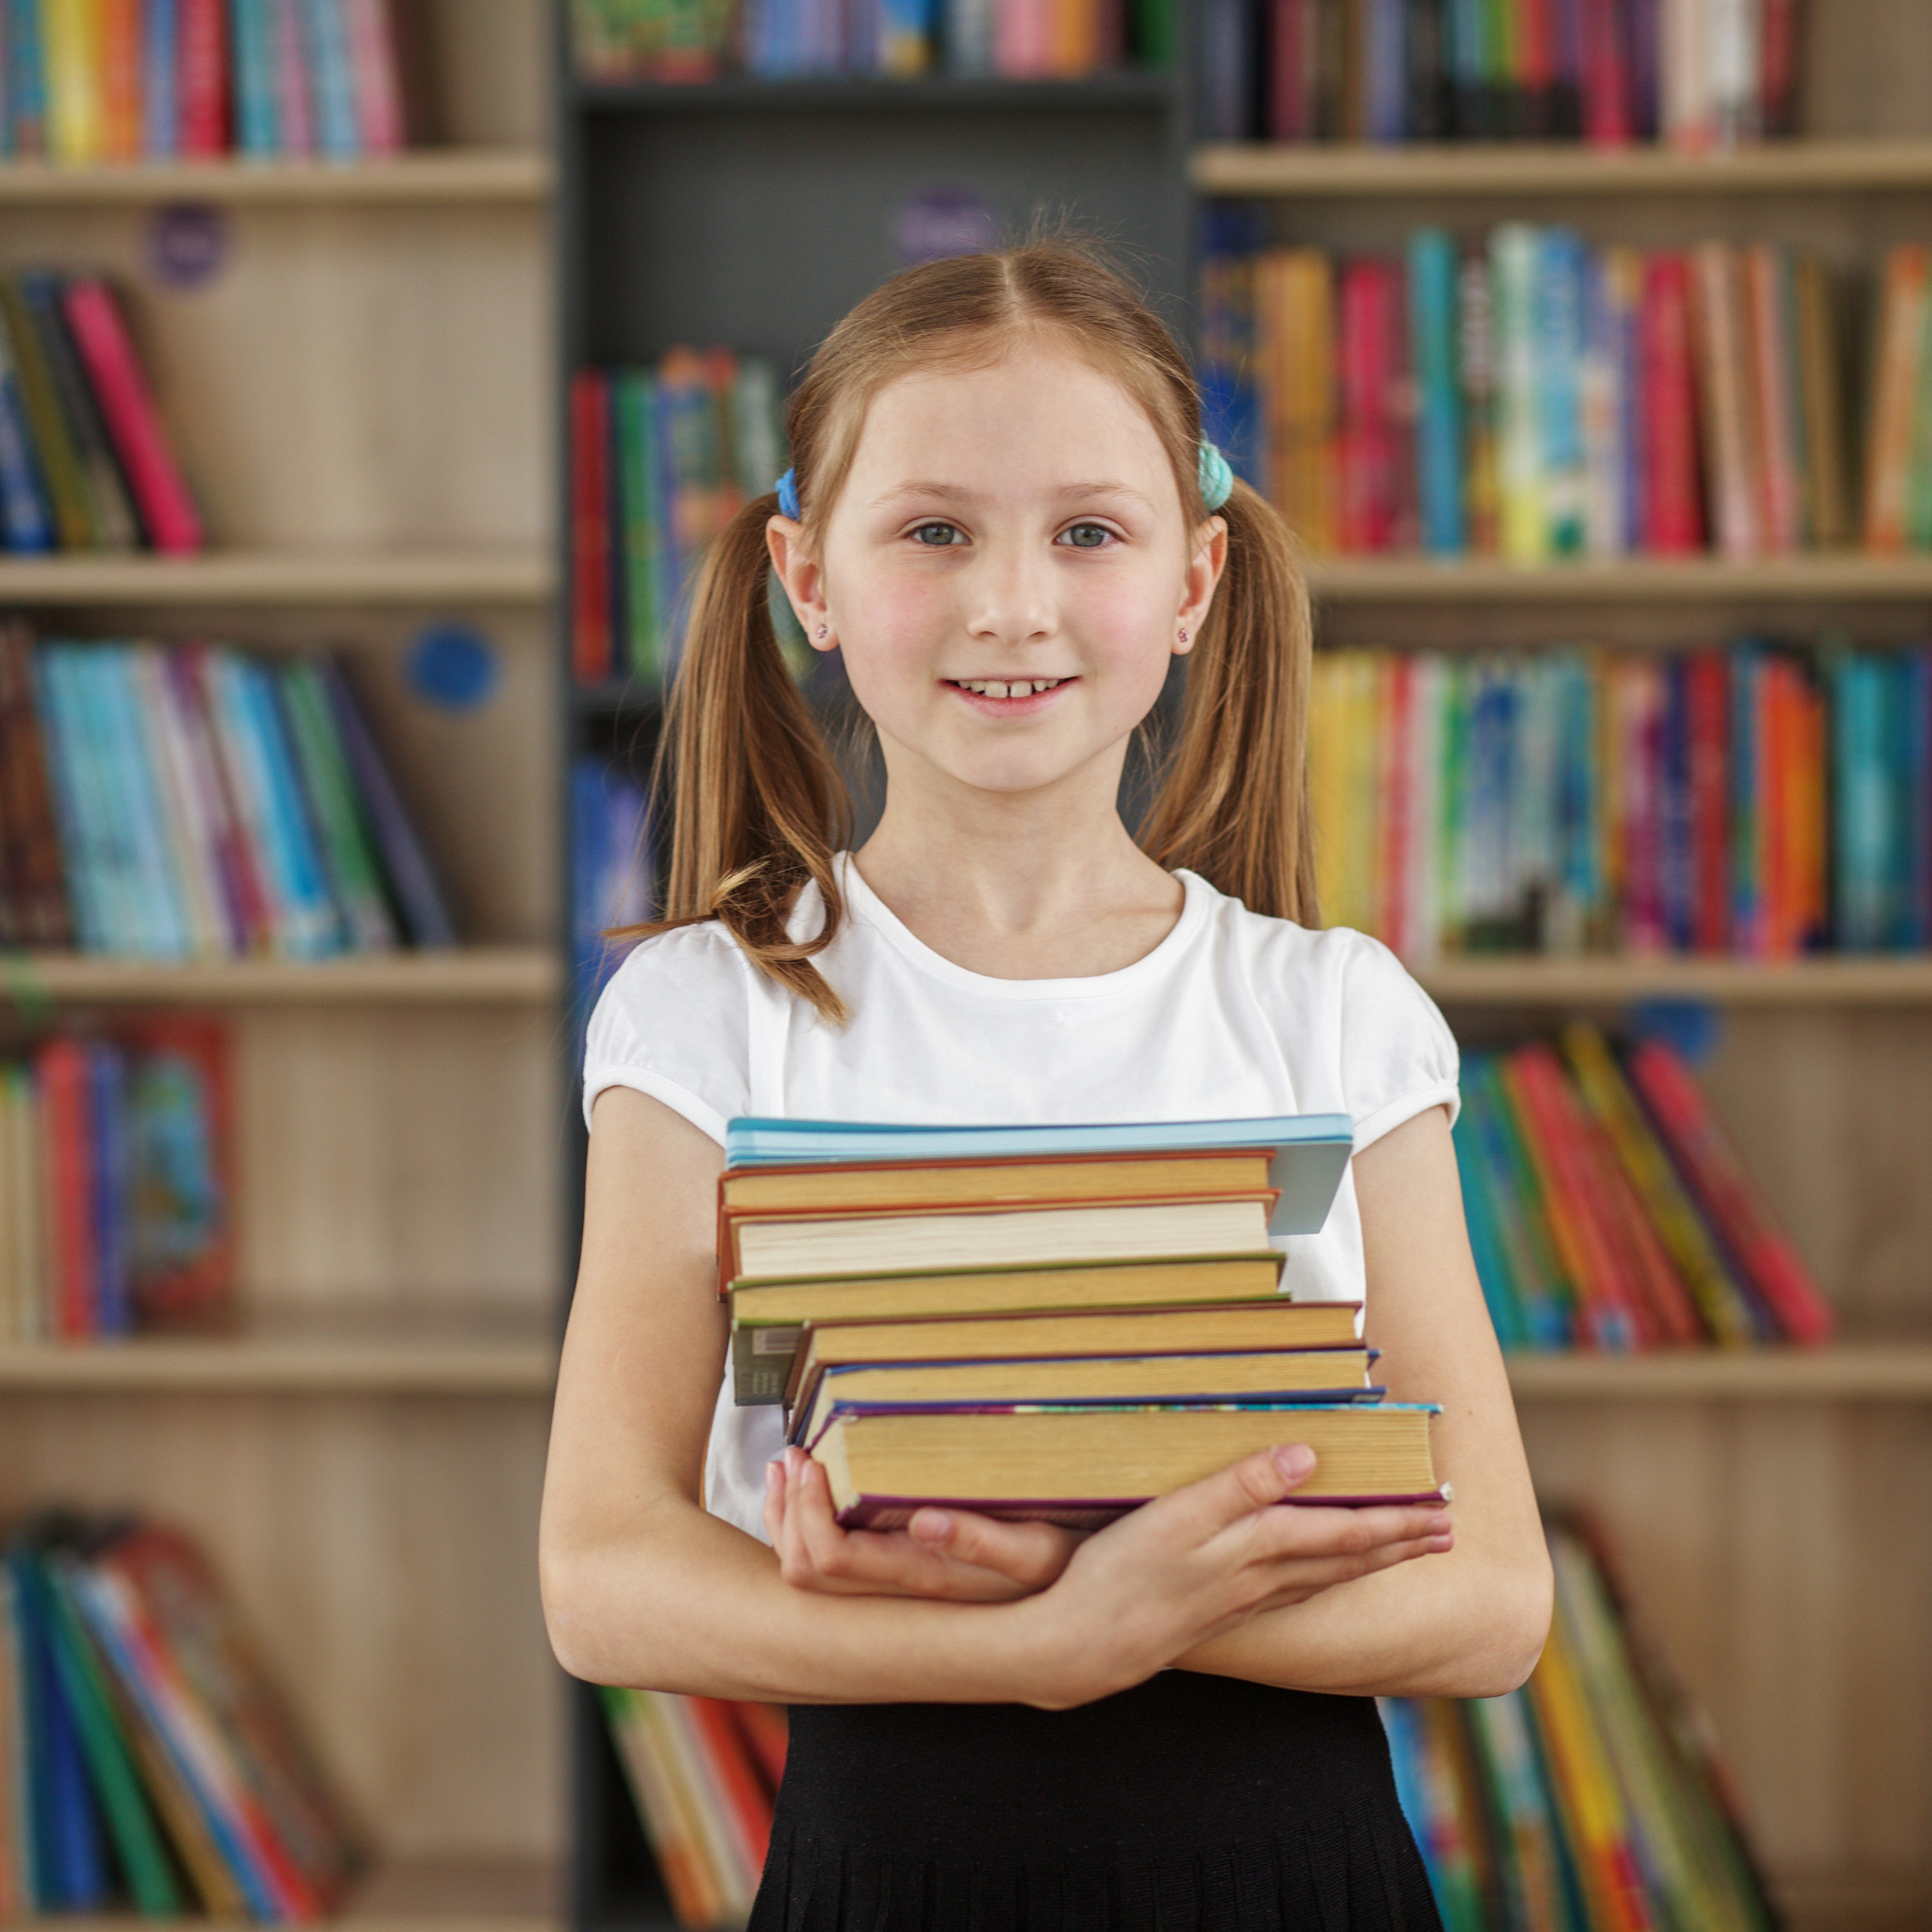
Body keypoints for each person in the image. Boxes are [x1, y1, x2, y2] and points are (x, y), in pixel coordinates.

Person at [541, 242, 1552, 1931]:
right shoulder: (705, 1015)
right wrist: (1038, 1647)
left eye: (1088, 530)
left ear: (1193, 580)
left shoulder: (1333, 1014)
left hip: (1296, 1883)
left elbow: (1494, 1599)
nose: (1014, 602)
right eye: (935, 529)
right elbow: (600, 1579)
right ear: (808, 576)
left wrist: (1079, 1601)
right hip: (893, 1875)